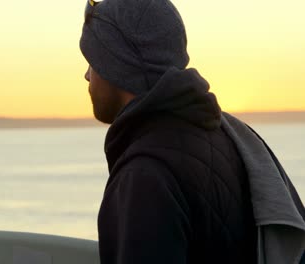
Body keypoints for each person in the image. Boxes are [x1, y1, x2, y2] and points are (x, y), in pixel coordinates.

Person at [79, 0, 305, 263]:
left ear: (115, 65)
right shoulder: (224, 137)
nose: (86, 75)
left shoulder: (144, 175)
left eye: (92, 62)